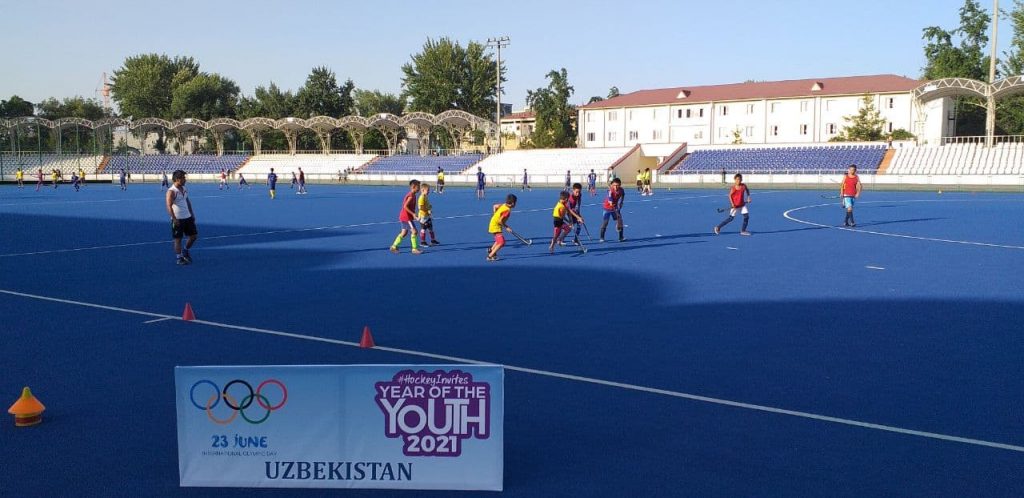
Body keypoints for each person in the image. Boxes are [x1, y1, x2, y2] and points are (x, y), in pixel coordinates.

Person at [166, 170, 198, 265]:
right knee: (178, 239)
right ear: (177, 179)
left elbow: (187, 201)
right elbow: (168, 206)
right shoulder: (171, 191)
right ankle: (179, 258)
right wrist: (174, 218)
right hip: (178, 218)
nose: (185, 179)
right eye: (183, 178)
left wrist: (192, 213)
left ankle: (185, 250)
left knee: (194, 236)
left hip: (187, 217)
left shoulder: (184, 188)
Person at [390, 179, 422, 255]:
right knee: (414, 231)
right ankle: (414, 249)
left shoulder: (413, 195)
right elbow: (405, 206)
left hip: (404, 216)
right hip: (406, 217)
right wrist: (413, 214)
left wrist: (414, 215)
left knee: (404, 233)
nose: (419, 188)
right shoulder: (411, 196)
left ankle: (394, 246)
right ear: (413, 187)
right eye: (418, 187)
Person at [487, 194, 517, 261]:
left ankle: (491, 250)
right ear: (512, 203)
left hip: (493, 223)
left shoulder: (504, 205)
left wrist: (495, 214)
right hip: (495, 226)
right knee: (501, 242)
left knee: (498, 240)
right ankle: (490, 256)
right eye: (515, 203)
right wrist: (506, 227)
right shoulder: (507, 211)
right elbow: (500, 221)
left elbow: (494, 206)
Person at [599, 178, 625, 242]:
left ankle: (621, 237)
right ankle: (602, 237)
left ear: (620, 185)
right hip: (607, 208)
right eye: (614, 185)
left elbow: (623, 194)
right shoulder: (610, 191)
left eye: (617, 185)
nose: (615, 187)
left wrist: (621, 202)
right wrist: (611, 202)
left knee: (620, 221)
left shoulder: (621, 190)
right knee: (605, 222)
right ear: (612, 185)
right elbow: (610, 198)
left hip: (615, 207)